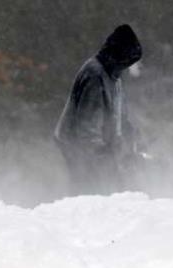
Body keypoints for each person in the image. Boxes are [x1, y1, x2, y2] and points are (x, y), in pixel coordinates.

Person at [54, 24, 143, 195]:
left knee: (109, 188)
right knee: (90, 193)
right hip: (80, 148)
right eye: (130, 60)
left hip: (100, 147)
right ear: (121, 55)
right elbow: (87, 130)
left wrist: (133, 140)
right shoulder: (95, 75)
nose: (131, 67)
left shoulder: (114, 76)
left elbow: (120, 117)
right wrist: (103, 157)